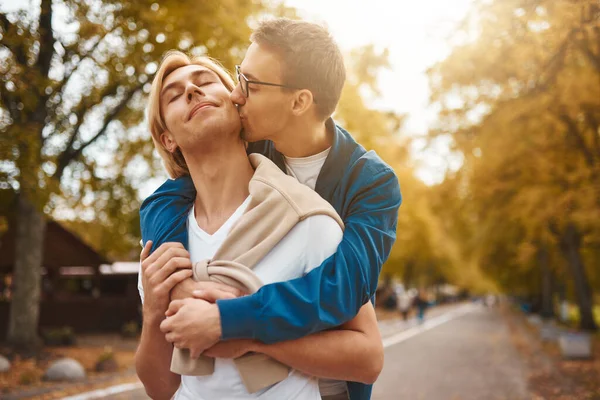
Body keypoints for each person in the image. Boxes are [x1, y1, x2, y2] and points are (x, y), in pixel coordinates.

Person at [140, 18, 402, 400]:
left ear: (299, 102)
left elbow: (340, 289)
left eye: (251, 85)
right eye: (237, 78)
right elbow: (165, 197)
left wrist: (231, 323)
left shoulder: (368, 183)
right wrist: (179, 282)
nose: (236, 95)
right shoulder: (248, 149)